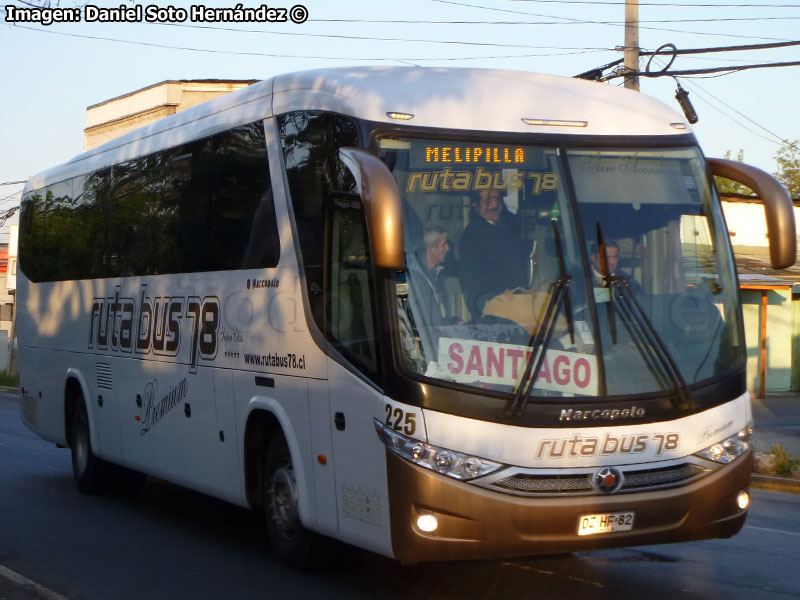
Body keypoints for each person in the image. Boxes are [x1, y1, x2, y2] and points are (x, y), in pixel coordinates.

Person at [458, 189, 530, 318]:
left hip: (514, 307)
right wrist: (481, 313)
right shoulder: (472, 236)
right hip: (494, 312)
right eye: (488, 201)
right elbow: (470, 281)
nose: (494, 205)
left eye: (497, 200)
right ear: (475, 206)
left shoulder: (504, 230)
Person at [408, 225, 451, 325]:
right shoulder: (414, 277)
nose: (448, 248)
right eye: (444, 244)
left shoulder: (438, 274)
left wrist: (453, 321)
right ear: (431, 247)